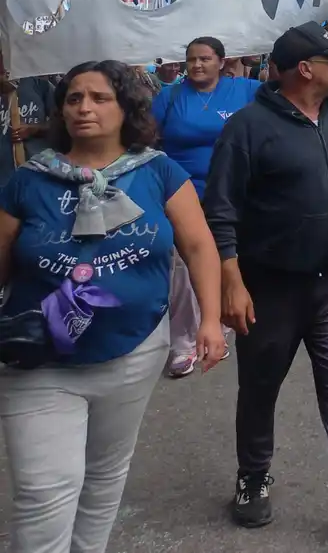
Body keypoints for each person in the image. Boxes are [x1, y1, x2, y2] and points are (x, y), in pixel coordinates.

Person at [0, 60, 226, 553]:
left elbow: (199, 247)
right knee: (44, 489)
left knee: (104, 477)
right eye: (74, 98)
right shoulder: (27, 181)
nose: (84, 107)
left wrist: (211, 319)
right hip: (39, 358)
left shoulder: (160, 172)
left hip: (134, 352)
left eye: (99, 98)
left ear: (126, 108)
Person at [204, 20, 328, 536]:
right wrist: (231, 282)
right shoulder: (247, 128)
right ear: (304, 69)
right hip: (271, 286)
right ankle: (253, 477)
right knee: (260, 385)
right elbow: (221, 214)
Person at [151, 36, 260, 377]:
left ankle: (221, 323)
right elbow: (147, 138)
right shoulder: (169, 96)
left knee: (226, 258)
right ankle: (183, 342)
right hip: (181, 193)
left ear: (222, 61)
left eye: (205, 59)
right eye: (191, 59)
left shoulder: (247, 90)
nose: (197, 65)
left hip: (234, 192)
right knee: (182, 267)